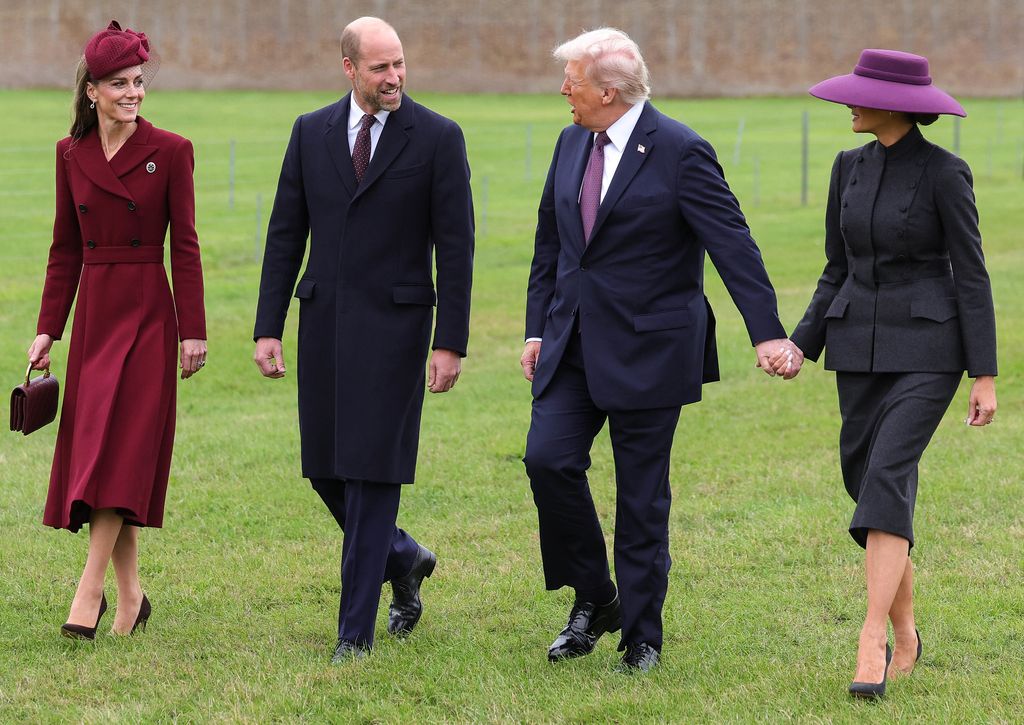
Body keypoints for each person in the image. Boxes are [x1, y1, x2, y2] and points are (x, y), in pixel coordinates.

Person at [520, 27, 794, 673]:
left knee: (641, 499)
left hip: (650, 350)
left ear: (609, 91)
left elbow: (732, 242)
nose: (564, 90)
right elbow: (551, 246)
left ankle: (642, 634)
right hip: (572, 344)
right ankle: (596, 596)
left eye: (574, 82)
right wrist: (537, 329)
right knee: (547, 461)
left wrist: (767, 331)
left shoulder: (680, 150)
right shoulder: (569, 142)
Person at [776, 49, 998, 698]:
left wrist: (982, 374)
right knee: (868, 485)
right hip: (856, 350)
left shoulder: (945, 173)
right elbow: (835, 269)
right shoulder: (847, 168)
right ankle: (907, 630)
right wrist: (799, 342)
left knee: (888, 474)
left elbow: (973, 274)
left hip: (930, 351)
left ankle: (870, 635)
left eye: (861, 93)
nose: (849, 101)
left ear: (897, 105)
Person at [253, 16, 474, 663]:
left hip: (399, 332)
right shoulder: (309, 132)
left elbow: (456, 249)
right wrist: (269, 325)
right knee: (325, 469)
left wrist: (449, 340)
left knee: (372, 475)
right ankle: (404, 556)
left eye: (399, 63)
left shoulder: (437, 138)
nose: (394, 76)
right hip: (324, 326)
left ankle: (354, 634)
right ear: (348, 68)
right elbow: (284, 234)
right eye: (380, 67)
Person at [26, 20, 207, 640]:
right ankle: (132, 597)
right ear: (92, 91)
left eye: (138, 82)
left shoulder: (173, 150)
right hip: (96, 317)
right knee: (106, 451)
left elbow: (184, 246)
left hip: (150, 314)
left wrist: (193, 330)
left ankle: (91, 589)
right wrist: (49, 328)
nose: (133, 93)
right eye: (119, 84)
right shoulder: (69, 154)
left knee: (121, 451)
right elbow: (63, 249)